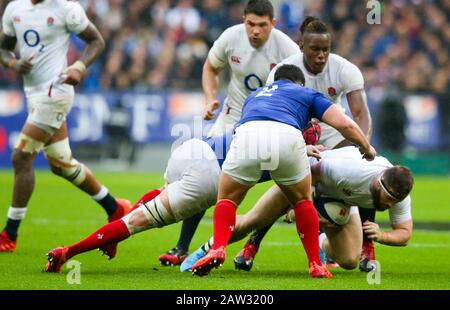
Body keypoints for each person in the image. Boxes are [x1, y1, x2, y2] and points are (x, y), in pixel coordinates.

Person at [43, 128, 323, 272]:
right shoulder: (292, 149)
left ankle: (121, 238)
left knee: (160, 194)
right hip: (209, 174)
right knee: (138, 222)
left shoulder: (260, 118)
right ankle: (68, 252)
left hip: (192, 148)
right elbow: (295, 195)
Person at [190, 64, 375, 278]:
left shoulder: (255, 94)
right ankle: (315, 263)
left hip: (248, 135)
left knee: (227, 200)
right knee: (303, 202)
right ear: (299, 82)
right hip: (287, 136)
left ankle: (218, 248)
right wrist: (367, 147)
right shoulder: (305, 92)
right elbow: (346, 125)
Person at [158, 0, 300, 266]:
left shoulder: (288, 51)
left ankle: (251, 246)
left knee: (287, 182)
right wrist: (210, 97)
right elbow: (211, 67)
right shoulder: (231, 37)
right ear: (243, 19)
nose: (255, 31)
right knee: (203, 175)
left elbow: (300, 92)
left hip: (267, 125)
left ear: (273, 24)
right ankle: (181, 248)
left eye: (262, 25)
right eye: (250, 24)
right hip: (231, 118)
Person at [233, 16, 376, 271]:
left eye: (325, 50)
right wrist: (300, 147)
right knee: (287, 192)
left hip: (335, 140)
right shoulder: (284, 70)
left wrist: (357, 150)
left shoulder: (345, 69)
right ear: (301, 47)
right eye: (315, 50)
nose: (321, 55)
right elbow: (274, 112)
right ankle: (252, 244)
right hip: (295, 136)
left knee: (365, 176)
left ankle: (367, 247)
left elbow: (361, 116)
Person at [0, 0, 130, 252]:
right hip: (33, 93)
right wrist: (12, 63)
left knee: (21, 156)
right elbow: (3, 49)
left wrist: (79, 67)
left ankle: (9, 233)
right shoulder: (15, 8)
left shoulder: (65, 8)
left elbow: (97, 40)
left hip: (56, 91)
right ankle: (115, 207)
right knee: (62, 165)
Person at [183, 146, 413, 272]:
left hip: (341, 202)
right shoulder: (350, 169)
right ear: (379, 182)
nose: (390, 204)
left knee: (350, 261)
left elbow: (405, 233)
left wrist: (381, 235)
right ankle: (206, 250)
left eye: (395, 201)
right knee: (253, 220)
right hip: (300, 182)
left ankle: (322, 239)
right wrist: (302, 208)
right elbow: (307, 172)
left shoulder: (399, 192)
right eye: (388, 198)